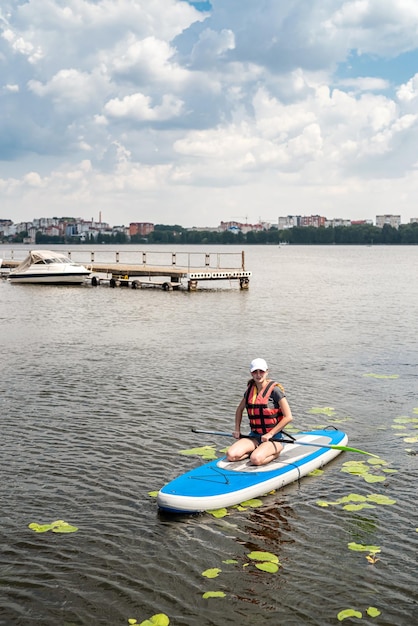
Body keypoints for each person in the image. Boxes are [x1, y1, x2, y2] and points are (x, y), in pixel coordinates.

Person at [226, 358, 293, 466]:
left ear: (267, 372)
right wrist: (237, 430)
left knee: (256, 459)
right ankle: (256, 450)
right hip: (255, 436)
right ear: (251, 373)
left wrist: (270, 433)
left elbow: (288, 417)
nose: (258, 375)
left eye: (261, 371)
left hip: (274, 438)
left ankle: (276, 452)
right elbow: (239, 410)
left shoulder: (275, 391)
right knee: (231, 455)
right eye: (255, 372)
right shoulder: (249, 391)